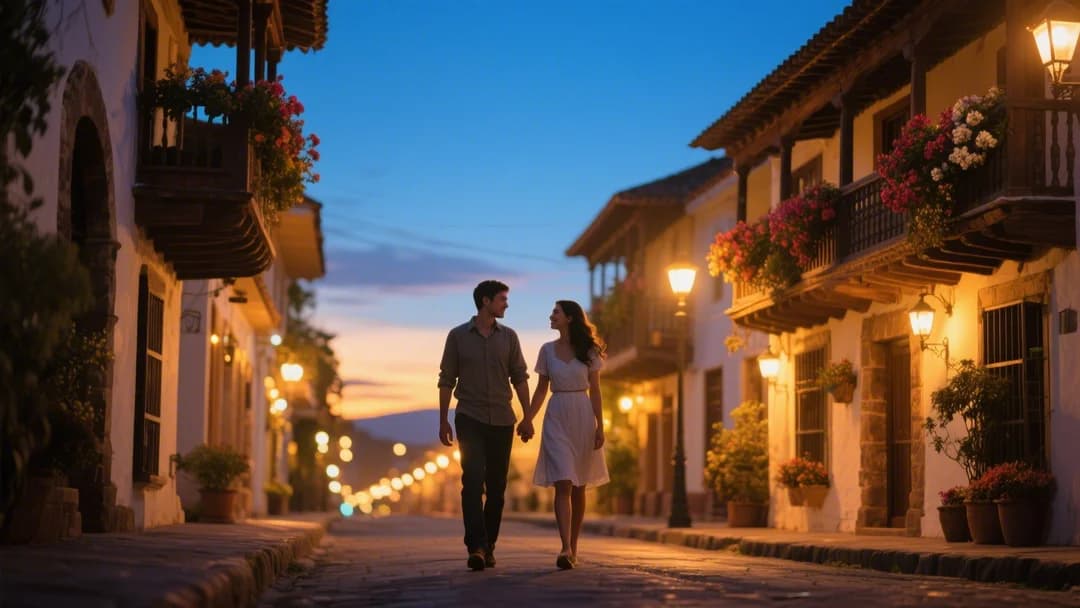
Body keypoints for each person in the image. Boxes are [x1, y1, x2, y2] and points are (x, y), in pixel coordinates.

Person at [438, 280, 531, 571]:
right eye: (502, 299)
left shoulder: (510, 337)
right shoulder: (457, 336)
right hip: (470, 418)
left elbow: (520, 378)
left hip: (502, 420)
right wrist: (442, 420)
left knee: (497, 488)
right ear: (486, 301)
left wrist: (528, 416)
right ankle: (475, 546)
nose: (506, 304)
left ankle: (489, 544)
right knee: (472, 481)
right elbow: (446, 379)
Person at [517, 299, 609, 570]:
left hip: (582, 414)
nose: (551, 316)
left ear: (569, 318)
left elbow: (596, 390)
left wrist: (600, 426)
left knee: (579, 485)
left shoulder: (589, 350)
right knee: (564, 480)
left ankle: (574, 547)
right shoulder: (546, 351)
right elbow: (541, 389)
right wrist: (528, 418)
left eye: (555, 312)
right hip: (556, 415)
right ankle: (564, 546)